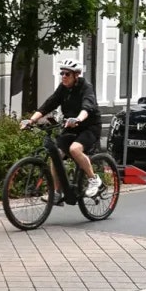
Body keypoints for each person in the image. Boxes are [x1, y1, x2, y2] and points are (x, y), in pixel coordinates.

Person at [21, 58, 103, 198]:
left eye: (67, 74)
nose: (63, 76)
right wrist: (31, 120)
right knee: (56, 155)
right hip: (70, 125)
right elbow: (49, 104)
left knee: (74, 149)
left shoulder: (86, 87)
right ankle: (57, 193)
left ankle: (94, 179)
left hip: (89, 126)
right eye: (62, 73)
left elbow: (87, 106)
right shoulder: (63, 88)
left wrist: (78, 119)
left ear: (76, 75)